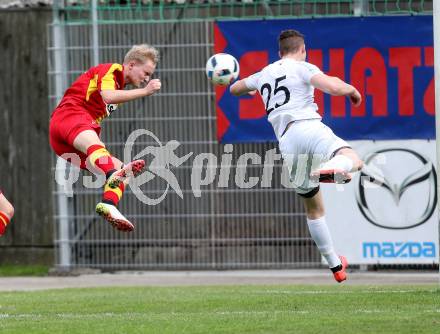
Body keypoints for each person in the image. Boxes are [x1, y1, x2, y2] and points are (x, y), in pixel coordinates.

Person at [230, 29, 363, 282]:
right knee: (353, 158)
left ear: (279, 53)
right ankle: (332, 166)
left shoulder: (264, 74)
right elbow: (332, 86)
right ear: (303, 50)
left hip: (287, 142)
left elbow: (236, 88)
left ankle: (336, 266)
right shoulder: (302, 67)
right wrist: (352, 90)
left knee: (313, 209)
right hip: (308, 127)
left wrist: (248, 88)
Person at [49, 44, 161, 232]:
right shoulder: (111, 70)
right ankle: (111, 175)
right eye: (146, 73)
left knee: (124, 171)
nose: (147, 78)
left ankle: (108, 203)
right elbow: (108, 96)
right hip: (70, 117)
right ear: (131, 65)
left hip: (63, 141)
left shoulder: (120, 85)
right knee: (103, 153)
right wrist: (145, 91)